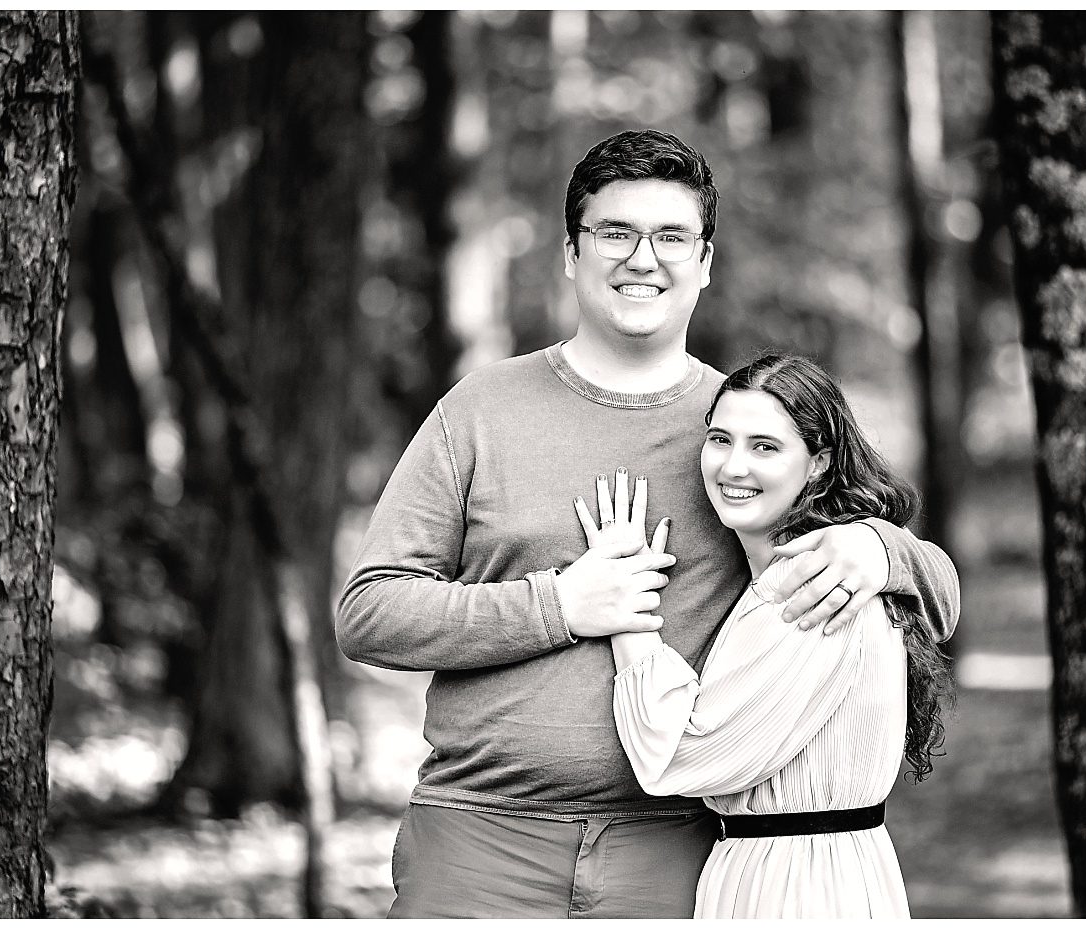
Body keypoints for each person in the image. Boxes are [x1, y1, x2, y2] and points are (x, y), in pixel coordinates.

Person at [336, 129, 959, 918]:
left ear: (704, 261)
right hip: (480, 842)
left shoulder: (739, 431)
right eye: (615, 232)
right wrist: (560, 604)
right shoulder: (481, 410)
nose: (643, 258)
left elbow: (936, 594)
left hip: (680, 856)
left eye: (671, 236)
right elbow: (368, 612)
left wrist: (882, 546)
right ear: (571, 252)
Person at [579, 354, 952, 917]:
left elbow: (678, 756)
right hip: (800, 871)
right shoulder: (806, 570)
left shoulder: (810, 587)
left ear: (820, 464)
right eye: (720, 439)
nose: (732, 467)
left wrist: (629, 608)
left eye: (765, 447)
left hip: (799, 890)